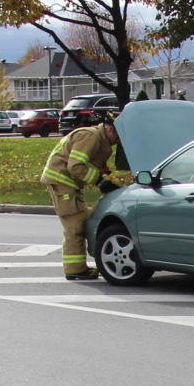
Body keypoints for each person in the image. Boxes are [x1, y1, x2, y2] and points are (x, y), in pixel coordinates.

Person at [40, 112, 127, 279]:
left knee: (79, 222)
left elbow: (90, 163)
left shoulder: (100, 140)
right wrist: (100, 182)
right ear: (109, 128)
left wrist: (103, 177)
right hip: (62, 182)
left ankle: (77, 268)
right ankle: (75, 270)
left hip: (67, 184)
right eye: (118, 136)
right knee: (75, 226)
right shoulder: (91, 137)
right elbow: (76, 166)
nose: (119, 141)